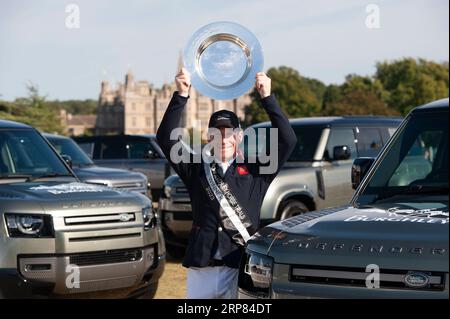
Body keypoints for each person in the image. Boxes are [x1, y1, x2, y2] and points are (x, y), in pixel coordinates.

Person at [156, 68, 297, 299]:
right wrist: (181, 94)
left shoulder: (257, 170)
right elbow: (164, 138)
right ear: (208, 137)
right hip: (201, 267)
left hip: (238, 265)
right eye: (216, 133)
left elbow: (288, 139)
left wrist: (267, 97)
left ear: (239, 137)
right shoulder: (194, 168)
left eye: (229, 133)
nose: (223, 139)